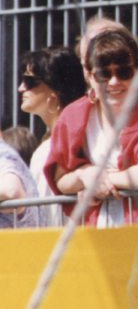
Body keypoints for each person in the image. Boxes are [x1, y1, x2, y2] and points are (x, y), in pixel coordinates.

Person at [47, 27, 138, 227]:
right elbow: (61, 180)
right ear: (89, 76)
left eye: (124, 72)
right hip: (95, 230)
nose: (114, 82)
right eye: (103, 74)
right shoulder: (72, 116)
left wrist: (99, 179)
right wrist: (84, 174)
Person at [17, 45, 88, 223]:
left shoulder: (76, 140)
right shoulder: (46, 144)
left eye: (29, 81)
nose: (21, 88)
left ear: (55, 91)